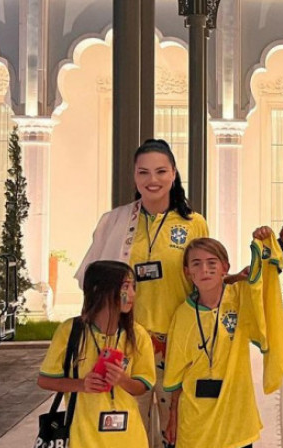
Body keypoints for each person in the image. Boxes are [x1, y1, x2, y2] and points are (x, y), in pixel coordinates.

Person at [75, 138, 209, 447]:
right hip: (128, 344)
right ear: (134, 176)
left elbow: (203, 281)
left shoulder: (193, 223)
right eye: (143, 172)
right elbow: (93, 281)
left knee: (178, 430)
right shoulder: (114, 223)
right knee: (129, 430)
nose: (153, 180)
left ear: (173, 174)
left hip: (176, 344)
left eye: (161, 171)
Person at [162, 235, 275, 448]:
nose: (204, 269)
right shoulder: (182, 315)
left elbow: (265, 282)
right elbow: (176, 375)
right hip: (196, 423)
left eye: (211, 262)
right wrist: (173, 416)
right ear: (187, 272)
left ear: (225, 267)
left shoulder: (240, 298)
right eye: (196, 263)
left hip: (235, 420)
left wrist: (271, 241)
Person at [38, 260, 156, 448]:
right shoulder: (70, 331)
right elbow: (45, 380)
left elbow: (142, 387)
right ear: (99, 289)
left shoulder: (138, 335)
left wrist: (122, 379)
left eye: (133, 287)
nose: (133, 294)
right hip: (83, 437)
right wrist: (81, 385)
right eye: (125, 287)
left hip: (128, 437)